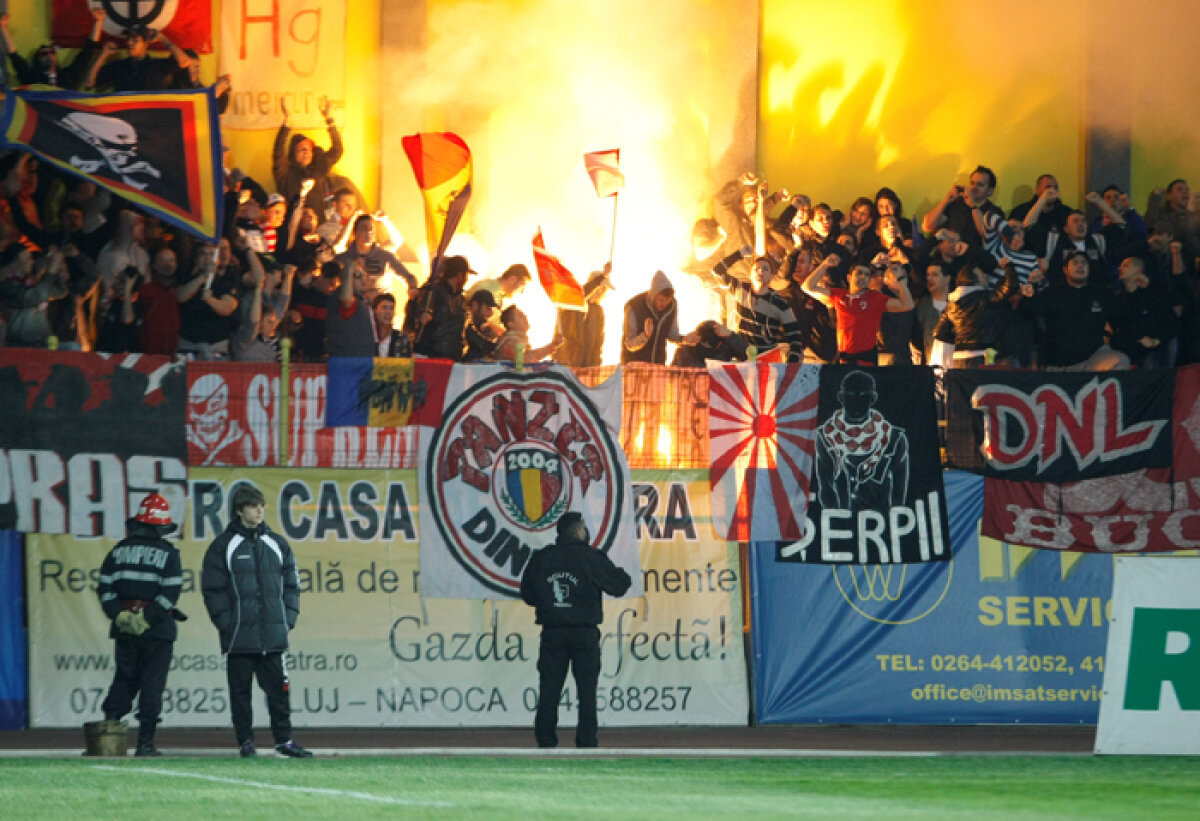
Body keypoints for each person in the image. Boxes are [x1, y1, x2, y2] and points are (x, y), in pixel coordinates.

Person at [201, 484, 311, 758]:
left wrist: (287, 620)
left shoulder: (277, 543)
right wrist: (227, 624)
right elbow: (212, 590)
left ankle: (284, 742)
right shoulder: (223, 546)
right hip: (239, 636)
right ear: (240, 510)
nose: (260, 511)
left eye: (261, 505)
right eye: (253, 506)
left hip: (273, 636)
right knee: (240, 694)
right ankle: (245, 743)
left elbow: (292, 585)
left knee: (279, 692)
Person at [520, 511, 631, 749]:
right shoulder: (591, 557)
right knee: (587, 692)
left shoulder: (542, 558)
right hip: (584, 633)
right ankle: (586, 742)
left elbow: (528, 594)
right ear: (580, 531)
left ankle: (546, 741)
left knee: (549, 690)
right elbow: (620, 585)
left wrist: (549, 601)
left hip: (552, 632)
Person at [96, 493, 184, 757]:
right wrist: (146, 619)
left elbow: (105, 588)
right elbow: (169, 594)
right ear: (161, 526)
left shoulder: (118, 551)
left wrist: (121, 616)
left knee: (123, 679)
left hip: (124, 629)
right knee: (152, 685)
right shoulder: (168, 554)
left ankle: (108, 739)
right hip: (157, 631)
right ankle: (145, 744)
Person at [801, 254, 913, 366]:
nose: (863, 277)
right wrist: (825, 264)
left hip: (866, 360)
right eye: (859, 273)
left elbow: (907, 305)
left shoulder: (875, 298)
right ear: (849, 278)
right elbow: (807, 287)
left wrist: (901, 281)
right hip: (844, 360)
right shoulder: (839, 295)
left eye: (867, 275)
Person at [621, 270, 696, 364]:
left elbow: (672, 334)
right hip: (634, 367)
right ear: (653, 295)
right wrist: (645, 335)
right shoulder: (633, 306)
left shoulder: (672, 305)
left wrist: (684, 339)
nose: (664, 304)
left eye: (667, 300)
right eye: (661, 299)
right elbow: (630, 344)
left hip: (658, 366)